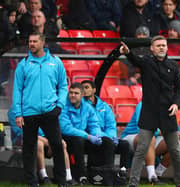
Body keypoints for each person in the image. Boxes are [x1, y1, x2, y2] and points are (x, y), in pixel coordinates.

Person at [119, 35, 180, 187]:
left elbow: (179, 88)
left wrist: (176, 104)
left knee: (175, 150)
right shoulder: (146, 62)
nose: (161, 47)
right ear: (152, 48)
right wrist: (128, 52)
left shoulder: (173, 65)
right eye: (158, 45)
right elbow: (135, 60)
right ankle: (133, 183)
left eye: (164, 45)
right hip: (149, 113)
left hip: (168, 112)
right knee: (141, 149)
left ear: (167, 48)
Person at [12, 32, 68, 187]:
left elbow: (63, 86)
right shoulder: (23, 64)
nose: (31, 44)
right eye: (30, 41)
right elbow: (17, 90)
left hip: (50, 111)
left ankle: (62, 181)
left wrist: (59, 105)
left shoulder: (56, 62)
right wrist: (18, 113)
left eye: (35, 41)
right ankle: (32, 182)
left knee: (57, 145)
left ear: (43, 43)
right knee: (29, 149)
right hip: (29, 113)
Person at [59, 82, 115, 185]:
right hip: (67, 138)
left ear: (82, 95)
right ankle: (81, 176)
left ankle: (106, 175)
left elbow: (94, 124)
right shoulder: (63, 106)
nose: (72, 95)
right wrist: (88, 136)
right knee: (78, 141)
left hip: (83, 137)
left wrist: (97, 135)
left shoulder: (87, 107)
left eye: (76, 93)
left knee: (107, 142)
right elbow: (66, 128)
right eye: (71, 93)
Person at [121, 101, 180, 184]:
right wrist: (163, 131)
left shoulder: (166, 106)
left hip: (154, 137)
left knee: (178, 145)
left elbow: (167, 126)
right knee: (149, 138)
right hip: (132, 136)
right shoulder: (143, 104)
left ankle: (158, 174)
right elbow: (142, 125)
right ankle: (152, 175)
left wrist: (173, 134)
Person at [81, 80, 131, 171]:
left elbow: (111, 125)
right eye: (82, 88)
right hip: (90, 138)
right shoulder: (80, 106)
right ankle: (109, 172)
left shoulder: (104, 106)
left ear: (94, 90)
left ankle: (123, 172)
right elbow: (88, 126)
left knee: (125, 145)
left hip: (106, 137)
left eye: (86, 87)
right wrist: (106, 137)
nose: (84, 90)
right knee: (108, 143)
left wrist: (112, 136)